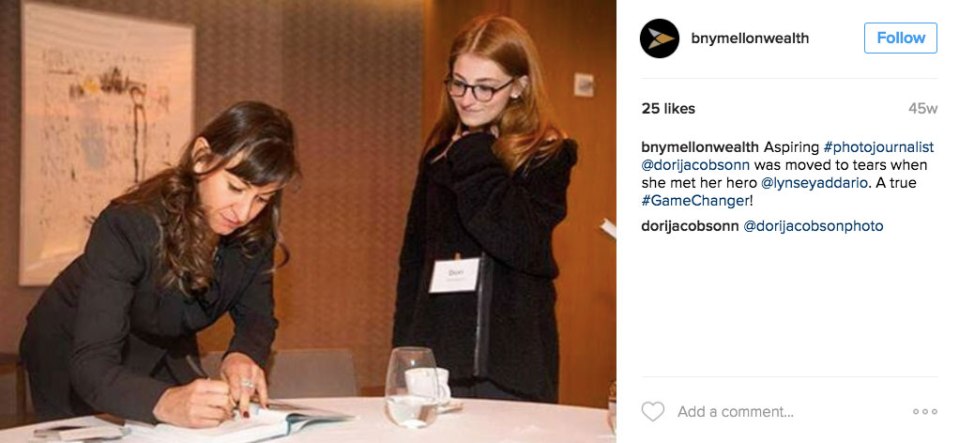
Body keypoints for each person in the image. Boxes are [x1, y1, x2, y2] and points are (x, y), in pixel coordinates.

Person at [19, 101, 300, 427]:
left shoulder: (255, 234)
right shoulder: (128, 224)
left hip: (162, 339)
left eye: (262, 198)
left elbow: (257, 319)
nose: (243, 213)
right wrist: (163, 401)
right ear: (201, 157)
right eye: (235, 188)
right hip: (74, 347)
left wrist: (243, 355)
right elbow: (91, 366)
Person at [392, 15, 577, 403]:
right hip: (441, 359)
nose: (466, 98)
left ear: (519, 87)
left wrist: (475, 152)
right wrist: (405, 354)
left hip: (514, 364)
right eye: (458, 83)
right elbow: (414, 261)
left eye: (485, 87)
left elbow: (518, 240)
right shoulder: (441, 155)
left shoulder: (547, 154)